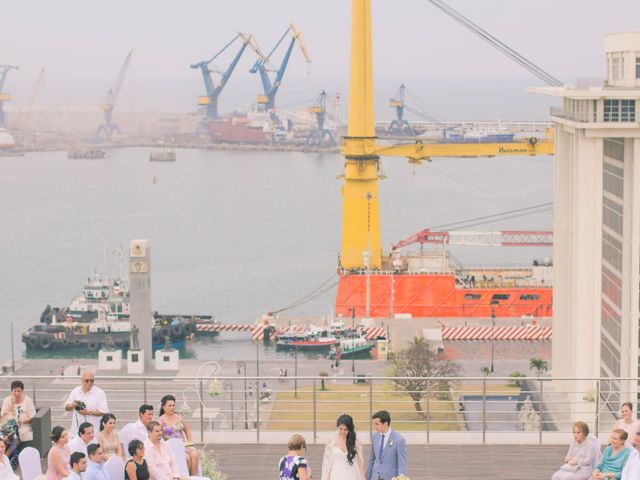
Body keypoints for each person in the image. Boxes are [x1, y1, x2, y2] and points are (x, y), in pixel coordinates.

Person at [158, 394, 199, 475]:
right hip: (172, 447)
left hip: (184, 444)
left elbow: (187, 430)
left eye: (173, 405)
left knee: (195, 454)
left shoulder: (178, 416)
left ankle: (194, 477)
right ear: (164, 407)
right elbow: (158, 437)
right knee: (186, 458)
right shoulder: (160, 420)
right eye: (169, 405)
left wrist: (190, 443)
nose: (172, 407)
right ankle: (185, 477)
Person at [365, 410, 408, 480]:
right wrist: (366, 477)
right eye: (374, 424)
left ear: (385, 424)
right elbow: (372, 459)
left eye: (377, 424)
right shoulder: (374, 436)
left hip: (390, 477)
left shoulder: (399, 440)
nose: (374, 427)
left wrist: (401, 477)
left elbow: (402, 463)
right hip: (375, 477)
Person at [64, 371, 109, 436]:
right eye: (86, 380)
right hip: (76, 432)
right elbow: (66, 408)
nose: (89, 383)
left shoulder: (100, 393)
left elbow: (104, 412)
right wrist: (72, 405)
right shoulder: (75, 391)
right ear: (81, 380)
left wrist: (87, 412)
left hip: (94, 433)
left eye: (92, 381)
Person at [321, 414, 365, 480]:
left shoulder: (355, 440)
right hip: (336, 475)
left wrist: (363, 477)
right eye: (340, 429)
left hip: (352, 474)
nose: (343, 432)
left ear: (350, 429)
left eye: (345, 429)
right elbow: (328, 463)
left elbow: (360, 461)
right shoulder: (332, 440)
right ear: (337, 427)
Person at [1, 380, 36, 445]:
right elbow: (3, 415)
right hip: (9, 427)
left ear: (22, 391)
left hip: (23, 426)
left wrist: (21, 422)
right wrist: (12, 405)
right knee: (7, 437)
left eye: (19, 391)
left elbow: (32, 416)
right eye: (15, 391)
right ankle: (6, 453)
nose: (17, 393)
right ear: (11, 391)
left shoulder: (28, 400)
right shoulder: (7, 400)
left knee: (19, 436)